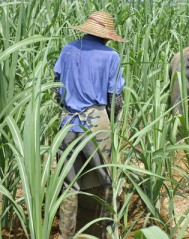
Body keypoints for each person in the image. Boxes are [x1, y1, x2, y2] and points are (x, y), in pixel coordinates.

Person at [54, 11, 125, 239]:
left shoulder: (68, 49)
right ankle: (108, 232)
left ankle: (66, 234)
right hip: (95, 122)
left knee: (68, 184)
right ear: (106, 36)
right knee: (108, 181)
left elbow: (57, 89)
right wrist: (111, 124)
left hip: (66, 123)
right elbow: (116, 99)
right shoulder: (110, 56)